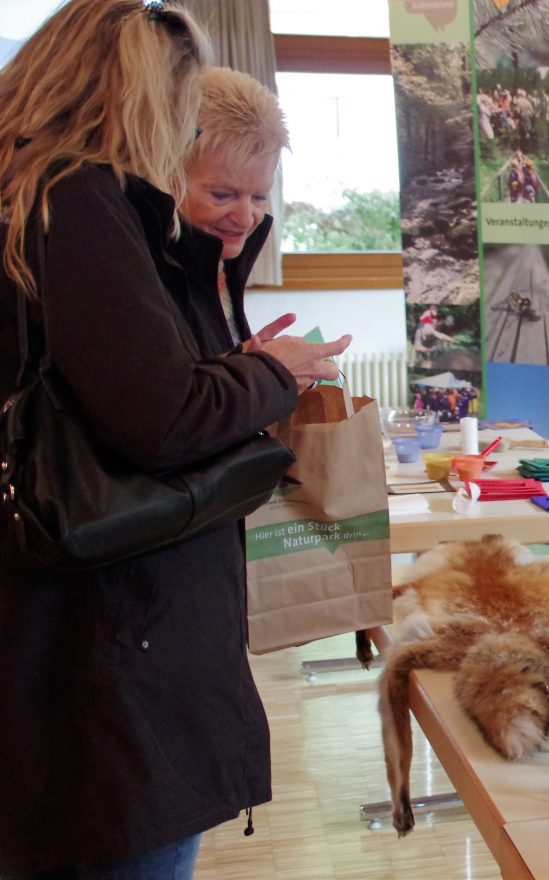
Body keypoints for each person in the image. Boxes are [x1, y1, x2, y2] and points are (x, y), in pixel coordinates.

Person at [0, 2, 349, 877]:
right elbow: (159, 414)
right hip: (112, 644)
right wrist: (272, 373)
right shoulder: (77, 200)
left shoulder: (30, 194)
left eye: (256, 197)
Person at [176, 66, 292, 358]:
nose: (245, 218)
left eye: (260, 197)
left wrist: (257, 369)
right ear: (168, 176)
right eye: (222, 195)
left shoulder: (221, 263)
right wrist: (261, 376)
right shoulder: (144, 272)